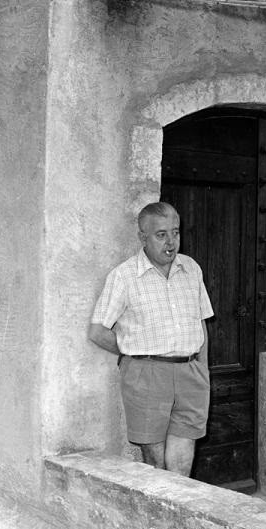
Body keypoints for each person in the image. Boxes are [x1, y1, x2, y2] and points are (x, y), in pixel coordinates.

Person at [88, 202, 213, 476]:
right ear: (143, 238)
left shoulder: (191, 269)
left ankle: (177, 514)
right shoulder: (124, 276)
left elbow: (202, 321)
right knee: (155, 466)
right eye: (161, 235)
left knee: (181, 467)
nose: (171, 242)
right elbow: (97, 331)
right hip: (147, 375)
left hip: (190, 373)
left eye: (175, 232)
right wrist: (133, 351)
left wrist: (202, 368)